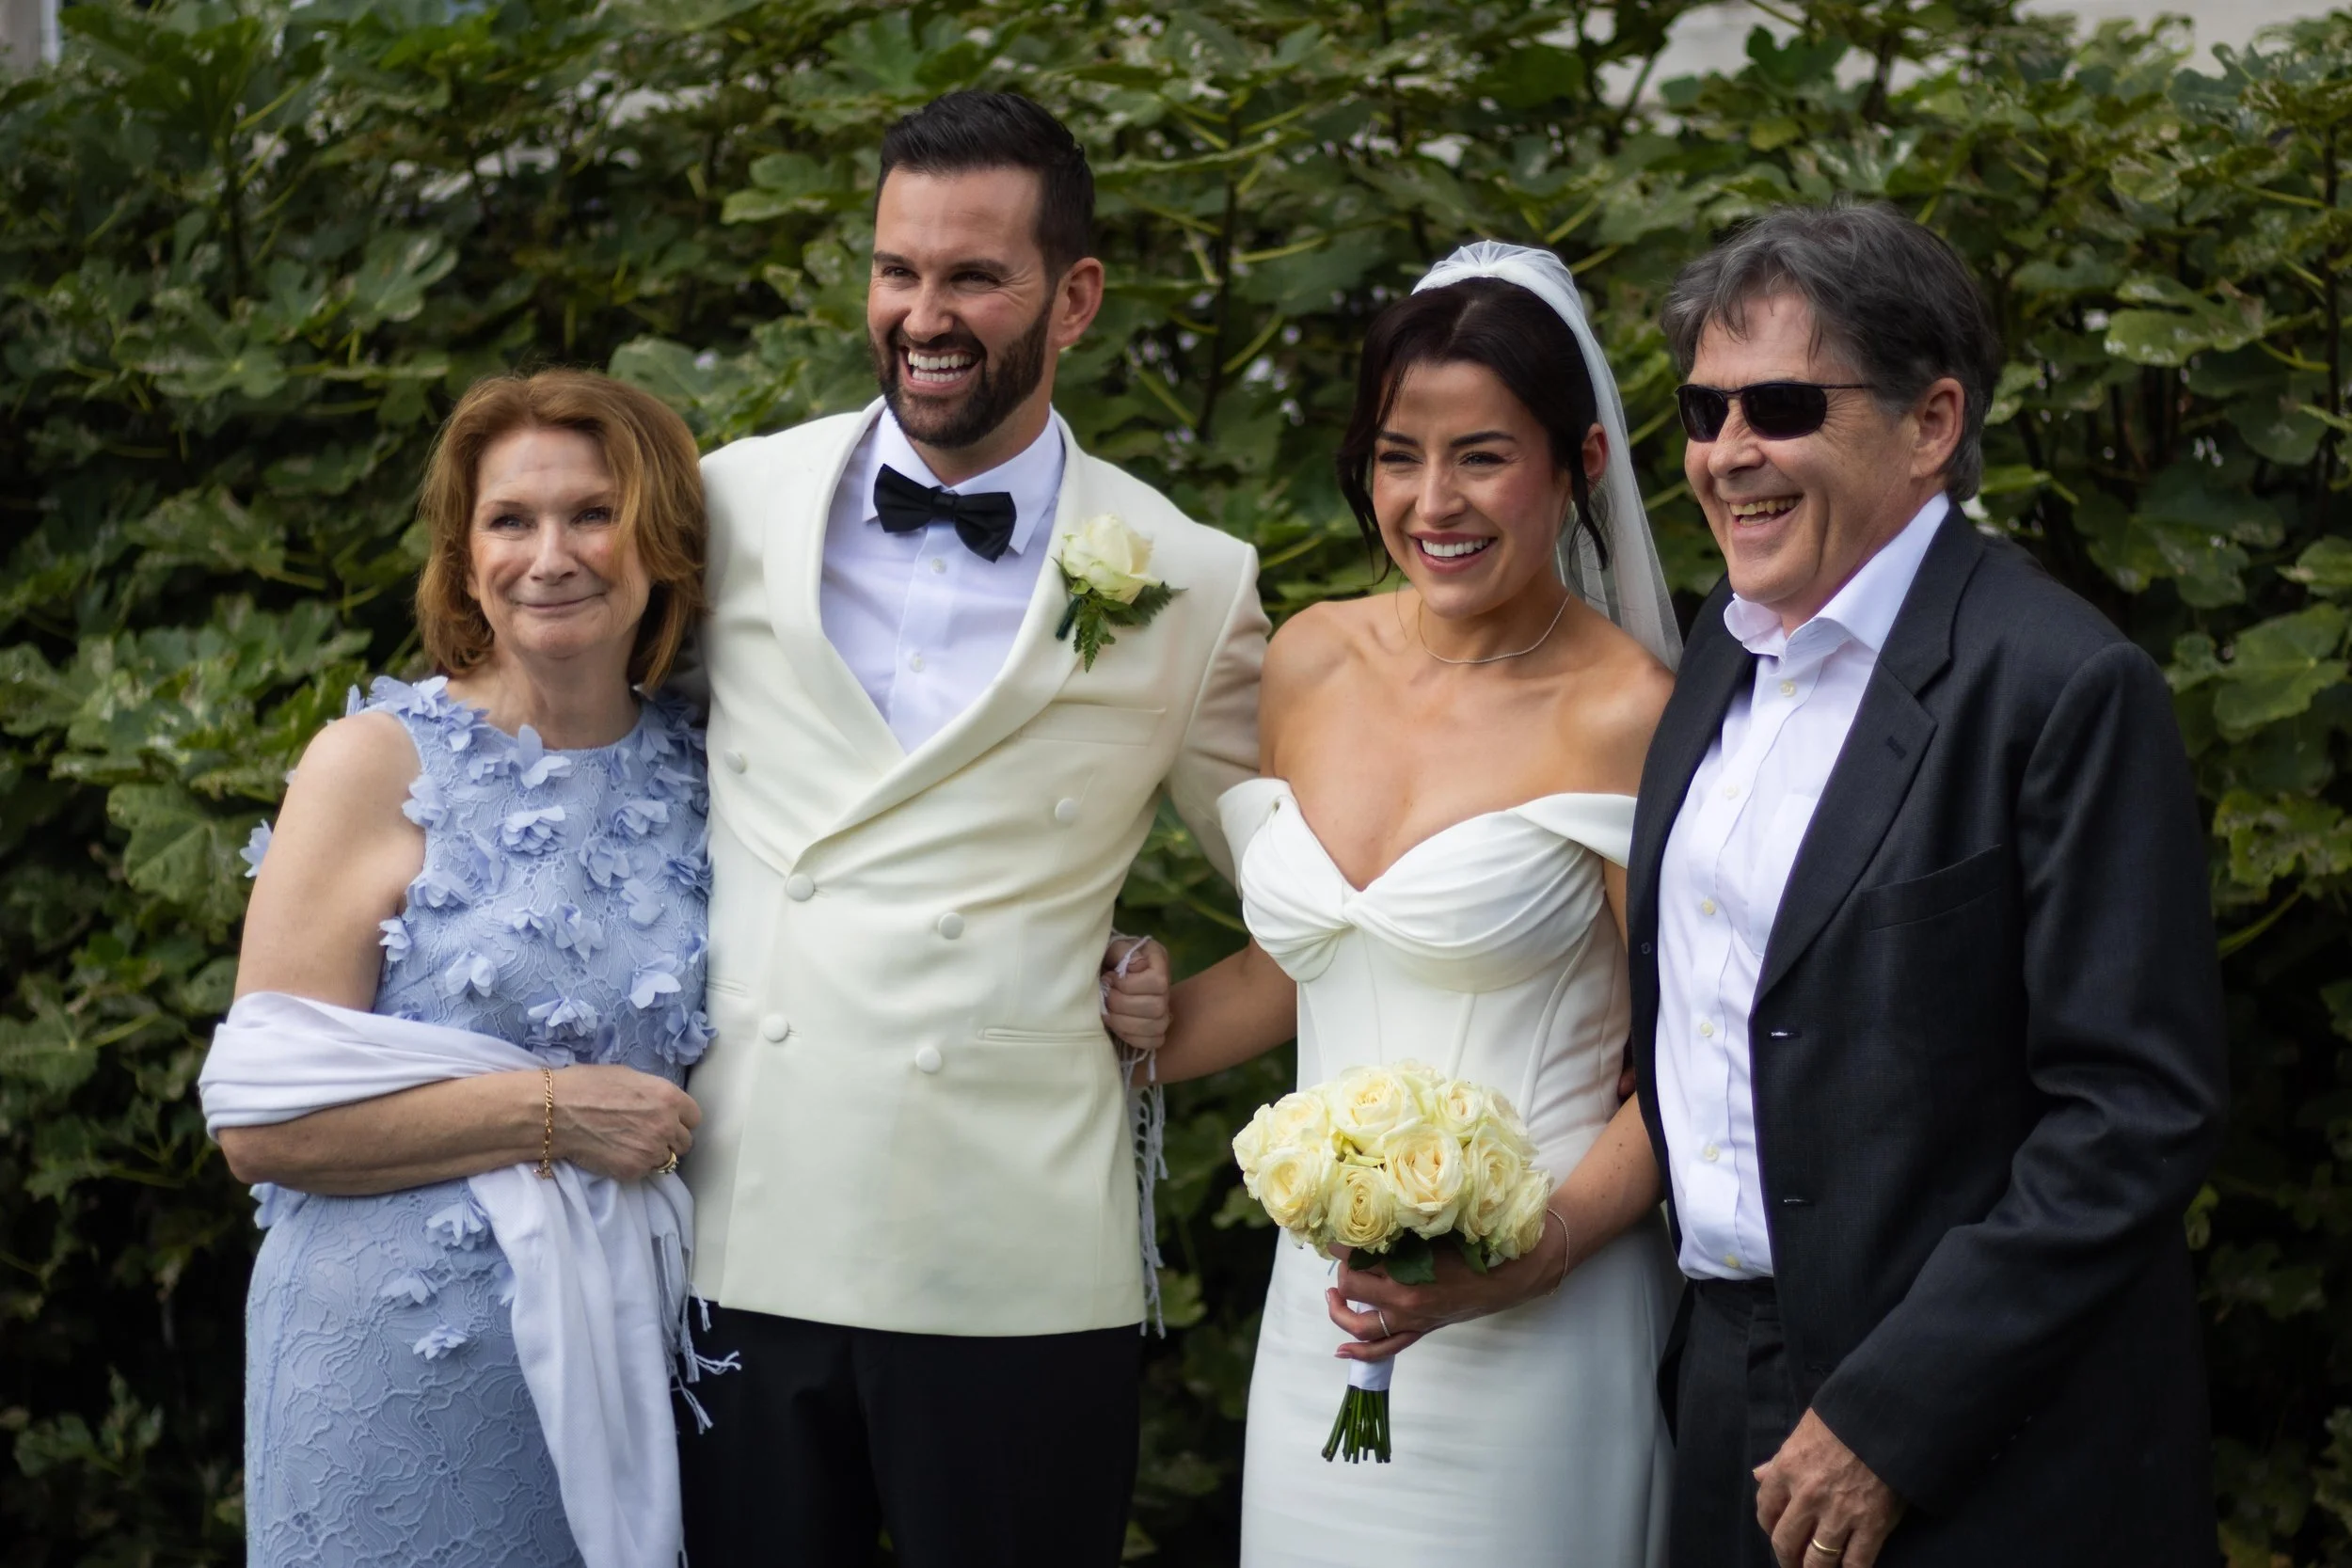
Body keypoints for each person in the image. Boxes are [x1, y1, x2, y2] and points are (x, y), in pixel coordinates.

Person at [675, 90, 1265, 1567]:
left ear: (1074, 298)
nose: (922, 315)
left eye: (971, 277)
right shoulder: (726, 499)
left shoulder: (1187, 577)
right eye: (897, 270)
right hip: (743, 1220)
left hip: (1014, 1257)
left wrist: (1172, 1020)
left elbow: (1320, 897)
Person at [1628, 202, 2227, 1568]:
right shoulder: (1718, 654)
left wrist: (1893, 1417)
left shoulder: (2062, 685)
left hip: (1974, 1442)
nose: (1727, 455)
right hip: (1724, 1391)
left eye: (1777, 404)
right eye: (1702, 410)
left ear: (1932, 420)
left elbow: (2135, 1112)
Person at [1137, 242, 1685, 1566]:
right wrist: (1124, 1019)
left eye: (1483, 454)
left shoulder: (1633, 714)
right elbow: (1302, 968)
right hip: (1322, 1313)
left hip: (1539, 1319)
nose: (1432, 500)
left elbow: (1691, 1067)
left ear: (1581, 464)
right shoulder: (1314, 654)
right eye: (1398, 453)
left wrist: (1531, 1248)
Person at [204, 369, 717, 1567]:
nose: (552, 555)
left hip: (629, 1368)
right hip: (384, 1374)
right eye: (510, 520)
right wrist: (551, 1113)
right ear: (464, 550)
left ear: (661, 543)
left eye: (593, 513)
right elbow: (261, 1125)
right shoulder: (372, 763)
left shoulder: (709, 771)